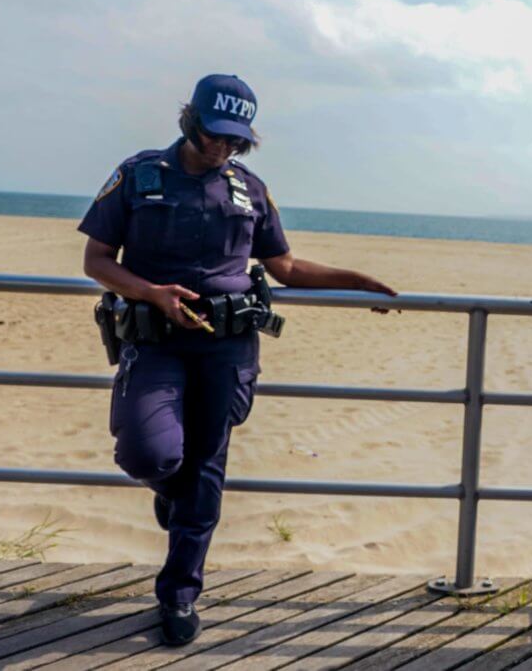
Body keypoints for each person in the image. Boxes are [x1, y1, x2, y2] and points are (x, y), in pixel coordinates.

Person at [78, 73, 396, 646]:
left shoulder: (249, 188)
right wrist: (151, 292)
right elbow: (97, 260)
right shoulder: (138, 175)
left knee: (205, 471)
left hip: (226, 349)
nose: (223, 148)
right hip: (154, 341)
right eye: (213, 137)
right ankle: (165, 493)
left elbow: (287, 268)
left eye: (235, 140)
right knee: (149, 455)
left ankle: (178, 596)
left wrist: (356, 280)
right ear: (189, 122)